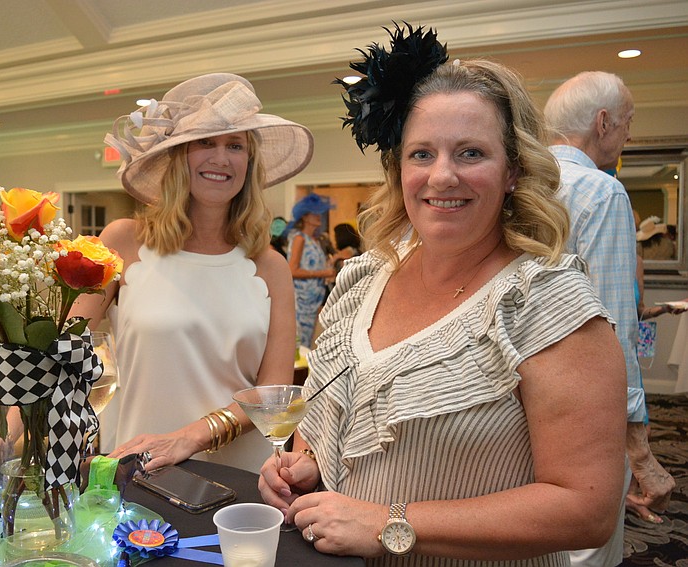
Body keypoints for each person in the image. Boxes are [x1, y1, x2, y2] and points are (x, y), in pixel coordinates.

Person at [258, 24, 626, 565]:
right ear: (399, 170)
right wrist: (311, 464)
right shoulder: (361, 281)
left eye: (471, 152)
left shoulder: (548, 302)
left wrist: (389, 523)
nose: (442, 176)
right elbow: (330, 423)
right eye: (422, 154)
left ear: (513, 173)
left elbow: (585, 506)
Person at [0, 72, 314, 477]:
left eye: (235, 145)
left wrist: (190, 437)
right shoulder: (124, 242)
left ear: (249, 162)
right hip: (133, 467)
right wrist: (1, 436)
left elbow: (272, 397)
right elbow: (60, 356)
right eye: (205, 143)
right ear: (177, 156)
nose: (221, 158)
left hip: (237, 477)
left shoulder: (269, 266)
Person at [544, 70, 676, 564]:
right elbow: (613, 328)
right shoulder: (600, 192)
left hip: (508, 403)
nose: (629, 135)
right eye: (627, 123)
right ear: (602, 123)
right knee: (585, 549)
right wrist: (639, 452)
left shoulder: (514, 183)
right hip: (581, 407)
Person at [287, 193, 336, 347]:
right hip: (301, 302)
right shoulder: (299, 239)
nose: (318, 216)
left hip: (313, 301)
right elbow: (292, 270)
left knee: (306, 341)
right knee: (299, 342)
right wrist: (323, 273)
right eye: (314, 213)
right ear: (305, 217)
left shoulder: (315, 240)